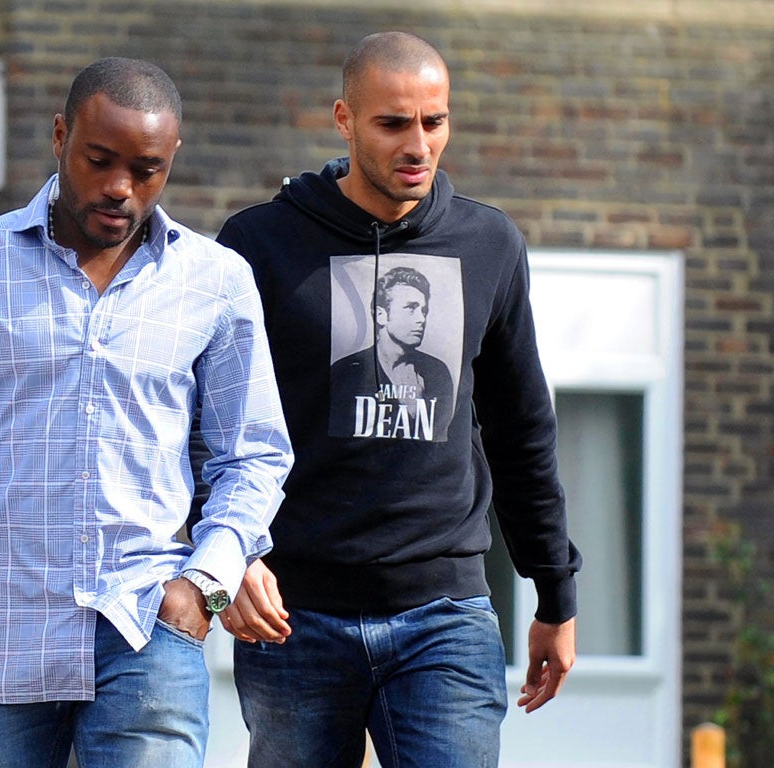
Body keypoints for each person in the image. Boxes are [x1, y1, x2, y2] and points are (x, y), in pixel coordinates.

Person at [0, 57, 292, 768]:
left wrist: (202, 588)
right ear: (61, 136)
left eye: (147, 169)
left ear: (172, 160)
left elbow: (254, 454)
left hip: (147, 631)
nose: (121, 188)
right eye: (100, 160)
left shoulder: (216, 283)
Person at [209, 32, 582, 767]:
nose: (418, 144)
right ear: (344, 120)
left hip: (444, 614)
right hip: (296, 616)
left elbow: (521, 431)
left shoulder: (489, 244)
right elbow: (208, 424)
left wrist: (555, 593)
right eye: (393, 123)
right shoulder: (260, 244)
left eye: (434, 121)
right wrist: (229, 560)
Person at [329, 264, 455, 440]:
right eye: (411, 308)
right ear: (381, 315)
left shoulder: (437, 372)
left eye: (423, 310)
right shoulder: (347, 369)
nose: (421, 319)